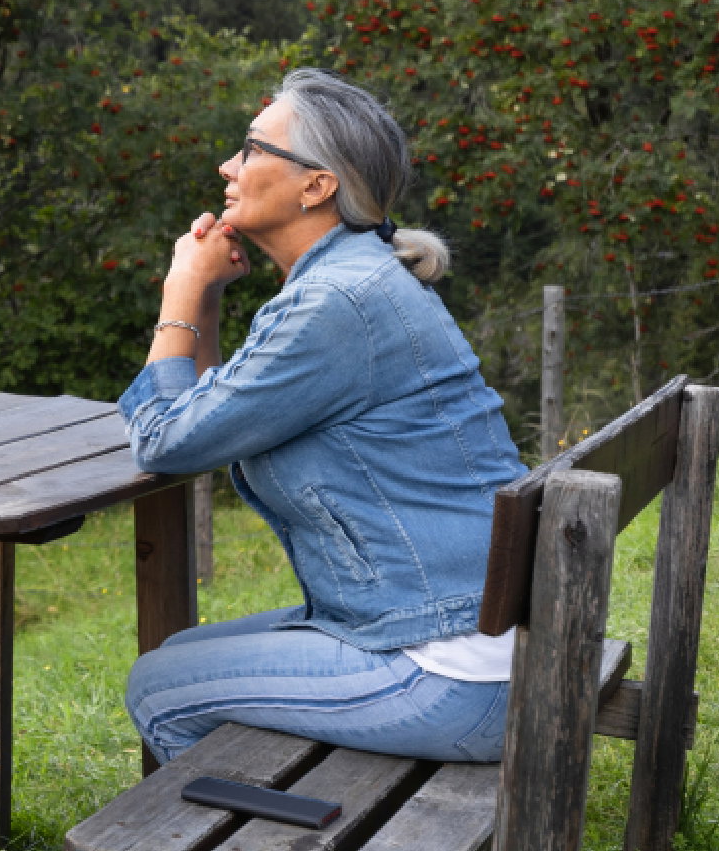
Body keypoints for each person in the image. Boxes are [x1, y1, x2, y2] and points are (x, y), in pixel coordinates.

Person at [117, 68, 526, 766]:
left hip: (450, 671)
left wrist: (180, 287)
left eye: (250, 149)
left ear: (316, 185)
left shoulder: (336, 306)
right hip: (462, 627)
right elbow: (216, 416)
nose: (227, 165)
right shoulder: (352, 279)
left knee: (158, 686)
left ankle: (241, 831)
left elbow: (163, 440)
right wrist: (209, 297)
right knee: (181, 654)